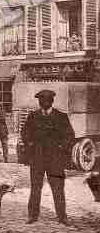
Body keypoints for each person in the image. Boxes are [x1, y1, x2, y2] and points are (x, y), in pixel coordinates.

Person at [21, 90, 75, 225]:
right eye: (41, 100)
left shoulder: (61, 117)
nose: (43, 103)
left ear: (52, 101)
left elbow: (70, 136)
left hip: (55, 160)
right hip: (37, 158)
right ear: (39, 102)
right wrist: (30, 144)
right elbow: (25, 132)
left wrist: (61, 149)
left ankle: (62, 216)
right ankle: (32, 215)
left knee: (58, 188)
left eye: (46, 100)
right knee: (35, 188)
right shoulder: (33, 116)